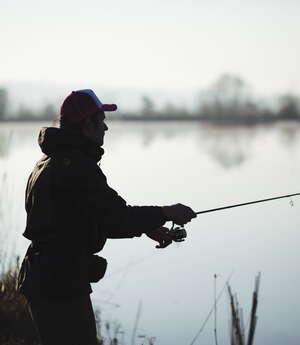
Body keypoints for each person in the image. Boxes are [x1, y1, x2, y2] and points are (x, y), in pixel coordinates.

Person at [17, 89, 196, 345]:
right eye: (101, 120)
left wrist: (149, 225)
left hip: (45, 277)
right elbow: (115, 218)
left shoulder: (48, 162)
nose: (106, 128)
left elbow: (88, 214)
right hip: (60, 284)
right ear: (86, 125)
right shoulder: (78, 167)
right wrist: (166, 212)